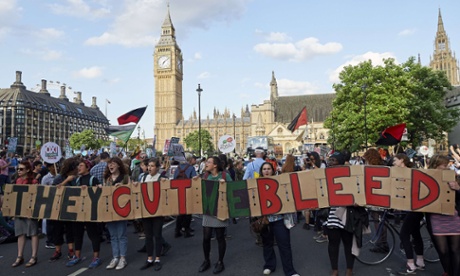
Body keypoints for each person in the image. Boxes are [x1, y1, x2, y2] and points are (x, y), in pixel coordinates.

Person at [325, 151, 368, 276]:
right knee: (333, 243)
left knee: (348, 242)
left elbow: (359, 191)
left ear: (341, 162)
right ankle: (335, 269)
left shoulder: (351, 175)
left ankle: (349, 269)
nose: (330, 162)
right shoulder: (324, 176)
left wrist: (357, 201)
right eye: (330, 160)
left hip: (348, 213)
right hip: (333, 214)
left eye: (334, 160)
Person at [259, 162, 300, 276]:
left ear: (272, 170)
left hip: (279, 220)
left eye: (268, 169)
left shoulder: (280, 183)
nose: (266, 171)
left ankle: (290, 271)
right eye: (264, 169)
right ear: (261, 171)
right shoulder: (256, 185)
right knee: (267, 244)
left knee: (284, 245)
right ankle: (269, 265)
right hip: (265, 220)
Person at [426, 155, 460, 276]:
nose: (447, 167)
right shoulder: (427, 177)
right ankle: (448, 271)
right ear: (436, 165)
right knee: (443, 250)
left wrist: (458, 188)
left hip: (454, 218)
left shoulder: (453, 176)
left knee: (455, 250)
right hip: (437, 219)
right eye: (444, 165)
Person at [198, 156, 233, 274]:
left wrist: (225, 185)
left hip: (220, 210)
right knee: (206, 237)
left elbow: (233, 190)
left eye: (208, 162)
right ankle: (206, 260)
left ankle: (220, 262)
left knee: (219, 237)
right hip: (208, 210)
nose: (206, 163)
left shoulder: (224, 176)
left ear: (215, 165)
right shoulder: (205, 176)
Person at [66, 159, 103, 269]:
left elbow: (100, 191)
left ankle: (96, 257)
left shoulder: (93, 179)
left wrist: (89, 189)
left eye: (81, 165)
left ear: (87, 167)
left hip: (90, 212)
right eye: (78, 166)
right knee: (77, 235)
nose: (79, 168)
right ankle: (77, 256)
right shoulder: (77, 180)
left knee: (93, 234)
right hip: (79, 211)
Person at [392, 153, 425, 274]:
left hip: (414, 208)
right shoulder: (402, 173)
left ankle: (411, 264)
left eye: (395, 160)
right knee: (415, 233)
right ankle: (420, 261)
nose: (393, 162)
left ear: (402, 160)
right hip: (412, 208)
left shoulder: (411, 173)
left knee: (404, 234)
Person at [137, 158, 166, 271]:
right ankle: (149, 258)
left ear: (158, 167)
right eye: (148, 166)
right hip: (146, 211)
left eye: (152, 166)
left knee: (157, 235)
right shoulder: (143, 177)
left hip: (158, 211)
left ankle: (157, 259)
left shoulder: (162, 178)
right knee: (148, 236)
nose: (149, 168)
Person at [48, 157, 79, 262]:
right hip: (58, 208)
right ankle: (58, 250)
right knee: (58, 230)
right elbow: (54, 190)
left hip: (70, 208)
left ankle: (71, 250)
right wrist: (67, 181)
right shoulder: (59, 178)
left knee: (70, 229)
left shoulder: (76, 179)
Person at [11, 161, 39, 268]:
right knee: (20, 233)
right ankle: (19, 256)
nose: (19, 171)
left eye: (21, 169)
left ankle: (33, 256)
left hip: (30, 211)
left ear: (27, 170)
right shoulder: (16, 180)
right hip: (19, 211)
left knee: (33, 233)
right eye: (18, 169)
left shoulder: (34, 181)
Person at [104, 157, 130, 270]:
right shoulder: (107, 179)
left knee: (121, 235)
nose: (111, 165)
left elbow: (132, 190)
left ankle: (123, 258)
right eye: (109, 164)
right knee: (113, 236)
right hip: (110, 211)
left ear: (118, 165)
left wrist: (124, 187)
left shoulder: (125, 178)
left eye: (113, 163)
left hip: (121, 211)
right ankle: (115, 257)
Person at [173, 153, 197, 238]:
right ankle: (187, 230)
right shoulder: (191, 168)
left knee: (180, 212)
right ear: (190, 160)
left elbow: (174, 179)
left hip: (179, 192)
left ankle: (177, 230)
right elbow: (194, 179)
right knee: (188, 212)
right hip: (188, 191)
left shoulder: (178, 168)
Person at [41, 162, 58, 249]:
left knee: (56, 223)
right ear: (49, 168)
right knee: (50, 223)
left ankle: (56, 239)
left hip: (58, 202)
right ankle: (49, 241)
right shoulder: (46, 178)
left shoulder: (59, 176)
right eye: (53, 167)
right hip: (50, 202)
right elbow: (43, 190)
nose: (55, 168)